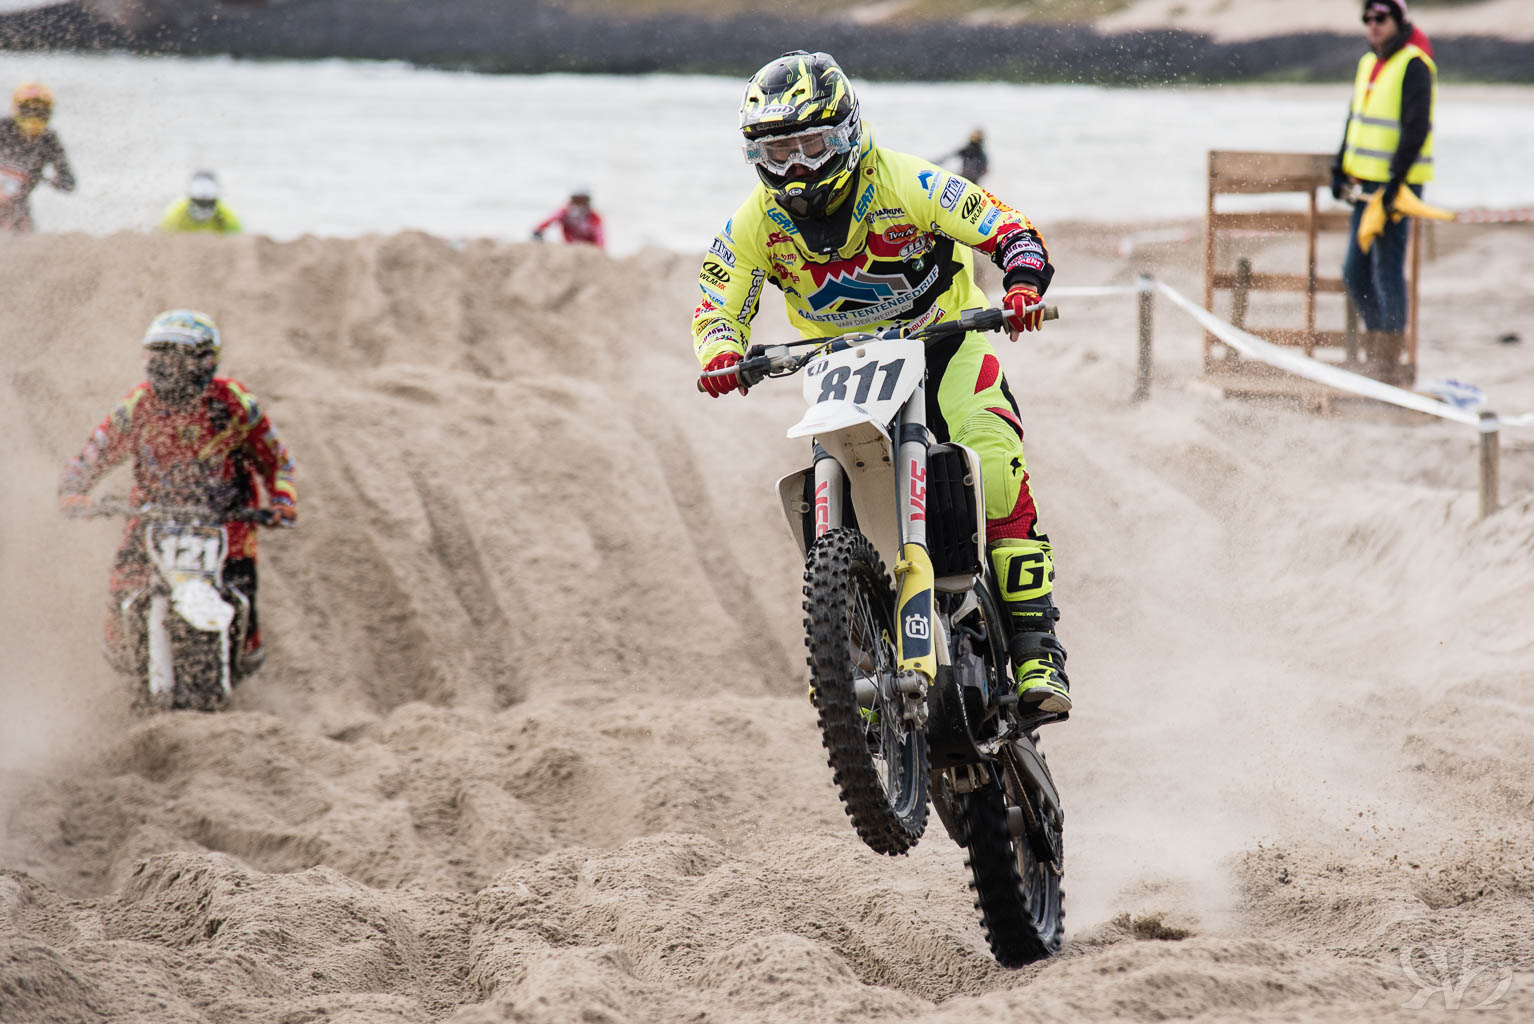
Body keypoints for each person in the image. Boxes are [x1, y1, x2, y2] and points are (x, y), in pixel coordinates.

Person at [692, 51, 1070, 714]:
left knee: (997, 465)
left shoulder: (906, 181)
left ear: (846, 132)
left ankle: (1038, 651)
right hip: (841, 367)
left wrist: (1021, 283)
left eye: (812, 146)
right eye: (779, 152)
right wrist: (721, 351)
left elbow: (1006, 227)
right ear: (756, 155)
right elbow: (716, 302)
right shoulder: (755, 222)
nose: (797, 167)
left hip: (945, 346)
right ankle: (855, 656)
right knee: (826, 496)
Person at [58, 310, 297, 677]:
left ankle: (241, 647)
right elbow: (94, 452)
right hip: (153, 515)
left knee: (243, 599)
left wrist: (282, 501)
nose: (170, 368)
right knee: (123, 590)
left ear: (206, 360)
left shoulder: (234, 402)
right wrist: (74, 490)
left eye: (181, 358)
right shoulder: (139, 405)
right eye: (161, 356)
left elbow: (277, 461)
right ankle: (132, 652)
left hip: (226, 516)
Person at [1330, 0, 1436, 383]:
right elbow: (1355, 120)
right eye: (1367, 18)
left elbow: (1416, 128)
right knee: (1354, 272)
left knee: (1386, 272)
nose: (1373, 25)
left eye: (1381, 18)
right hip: (1365, 187)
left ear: (1398, 20)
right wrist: (1339, 169)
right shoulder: (1367, 63)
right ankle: (1379, 349)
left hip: (1396, 187)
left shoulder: (1414, 64)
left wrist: (1395, 183)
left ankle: (1389, 364)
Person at [0, 82, 75, 233]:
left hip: (18, 205)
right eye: (28, 111)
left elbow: (68, 180)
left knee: (25, 238)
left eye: (40, 112)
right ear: (18, 110)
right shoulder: (3, 128)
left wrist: (56, 181)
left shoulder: (49, 139)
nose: (33, 118)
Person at [161, 170, 243, 234]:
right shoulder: (176, 213)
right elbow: (164, 235)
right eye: (199, 202)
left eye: (208, 203)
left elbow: (238, 235)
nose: (203, 208)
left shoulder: (224, 213)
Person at [532, 188, 605, 248]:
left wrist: (598, 250)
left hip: (587, 250)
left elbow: (600, 239)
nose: (578, 204)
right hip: (569, 247)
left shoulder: (594, 217)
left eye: (582, 201)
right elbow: (547, 222)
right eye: (576, 200)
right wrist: (538, 231)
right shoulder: (564, 212)